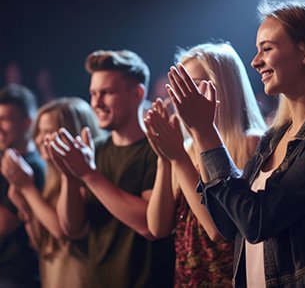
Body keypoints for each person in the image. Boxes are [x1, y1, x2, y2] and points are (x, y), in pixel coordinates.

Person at [165, 0, 305, 287]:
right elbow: (230, 224)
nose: (255, 61)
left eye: (267, 49)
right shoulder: (273, 138)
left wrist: (208, 135)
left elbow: (258, 220)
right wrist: (199, 133)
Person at [48, 50, 174, 288]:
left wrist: (88, 174)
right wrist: (70, 175)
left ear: (137, 94)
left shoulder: (158, 149)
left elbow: (150, 225)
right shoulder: (94, 149)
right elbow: (73, 228)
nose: (96, 103)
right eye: (93, 94)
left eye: (105, 93)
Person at [144, 43, 267, 287]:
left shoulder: (251, 143)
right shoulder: (186, 149)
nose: (182, 95)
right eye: (179, 86)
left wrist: (177, 157)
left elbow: (216, 231)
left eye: (193, 84)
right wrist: (164, 157)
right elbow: (157, 227)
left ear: (224, 86)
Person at [2, 97, 103, 288]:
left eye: (48, 132)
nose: (39, 139)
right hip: (52, 277)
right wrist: (24, 207)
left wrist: (27, 189)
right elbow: (39, 243)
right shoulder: (50, 177)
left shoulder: (85, 179)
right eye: (38, 131)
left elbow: (63, 231)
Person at [0, 83, 45, 288]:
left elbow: (4, 224)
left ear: (27, 122)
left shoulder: (31, 166)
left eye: (4, 119)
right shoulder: (5, 159)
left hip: (16, 275)